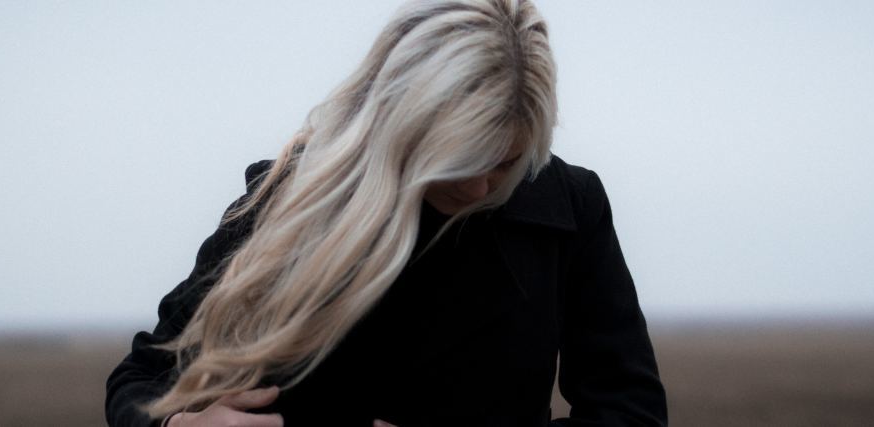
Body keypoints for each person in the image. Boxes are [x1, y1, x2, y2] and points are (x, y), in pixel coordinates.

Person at [105, 0, 668, 426]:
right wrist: (177, 423)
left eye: (507, 162)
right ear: (401, 126)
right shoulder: (292, 198)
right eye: (457, 160)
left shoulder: (568, 208)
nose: (478, 187)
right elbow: (142, 378)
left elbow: (630, 411)